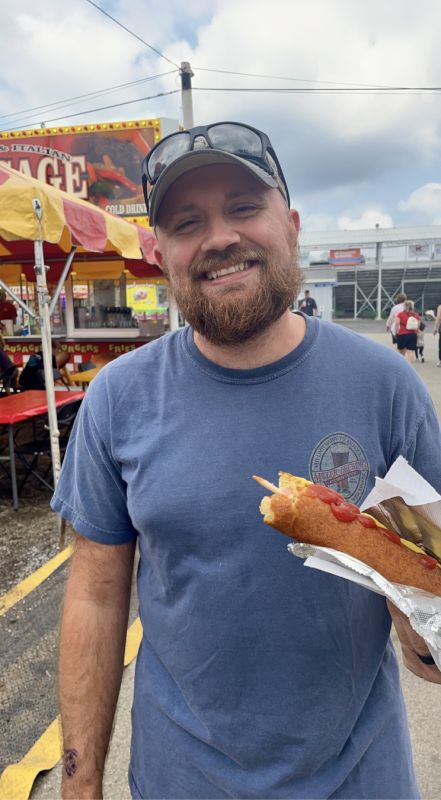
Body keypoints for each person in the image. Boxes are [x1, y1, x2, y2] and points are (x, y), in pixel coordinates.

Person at [52, 121, 441, 800]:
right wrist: (79, 786)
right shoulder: (119, 398)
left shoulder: (383, 387)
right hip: (179, 779)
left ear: (289, 225)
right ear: (160, 251)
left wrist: (424, 632)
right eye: (185, 221)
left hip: (359, 777)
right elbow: (94, 594)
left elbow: (429, 572)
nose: (219, 237)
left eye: (242, 207)